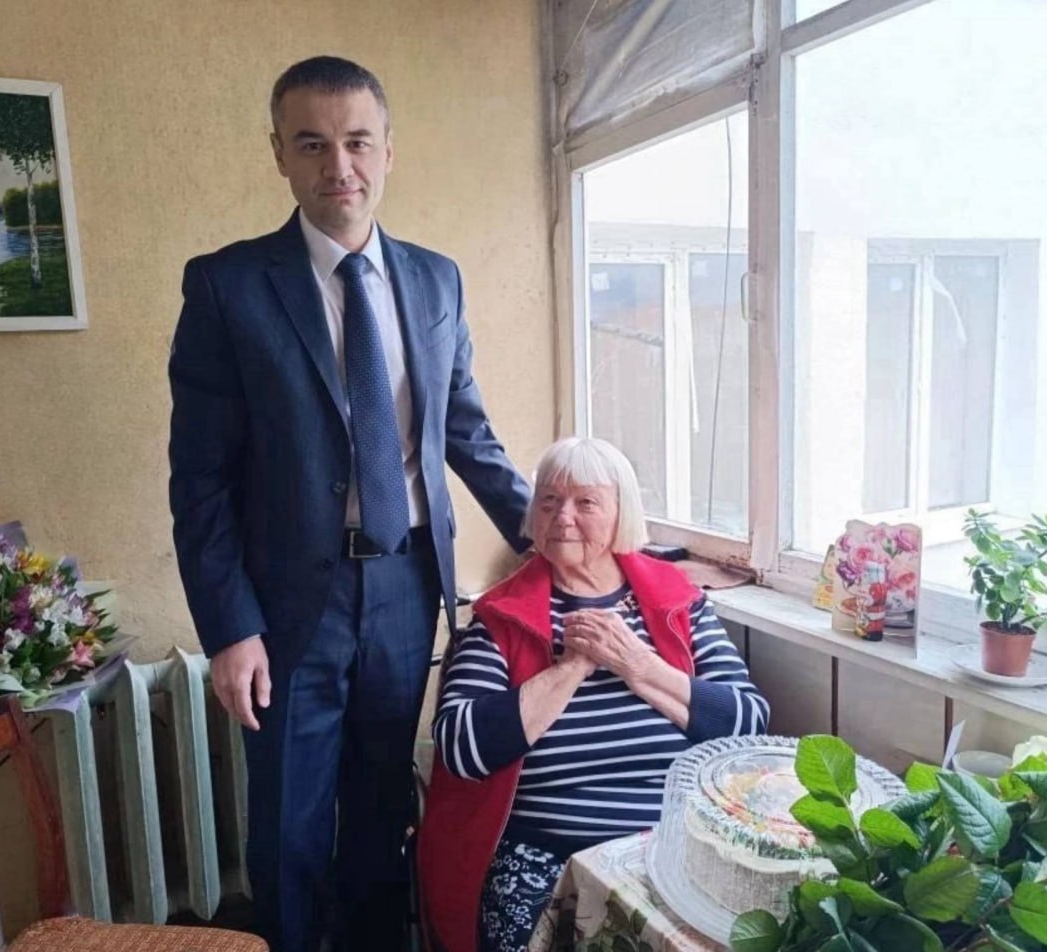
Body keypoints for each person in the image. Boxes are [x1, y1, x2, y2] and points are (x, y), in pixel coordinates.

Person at [167, 55, 532, 952]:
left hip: (407, 590)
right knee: (289, 826)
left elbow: (467, 434)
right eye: (313, 144)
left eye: (358, 142)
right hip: (291, 605)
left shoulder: (437, 280)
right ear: (280, 156)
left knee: (381, 813)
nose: (340, 166)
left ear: (388, 151)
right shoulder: (227, 287)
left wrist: (560, 534)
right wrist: (230, 627)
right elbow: (199, 480)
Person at [417, 437, 770, 952]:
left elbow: (747, 727)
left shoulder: (676, 604)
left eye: (586, 502)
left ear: (621, 514)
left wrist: (637, 664)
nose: (563, 517)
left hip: (668, 852)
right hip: (545, 858)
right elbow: (462, 749)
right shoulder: (501, 619)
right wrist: (573, 667)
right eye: (549, 500)